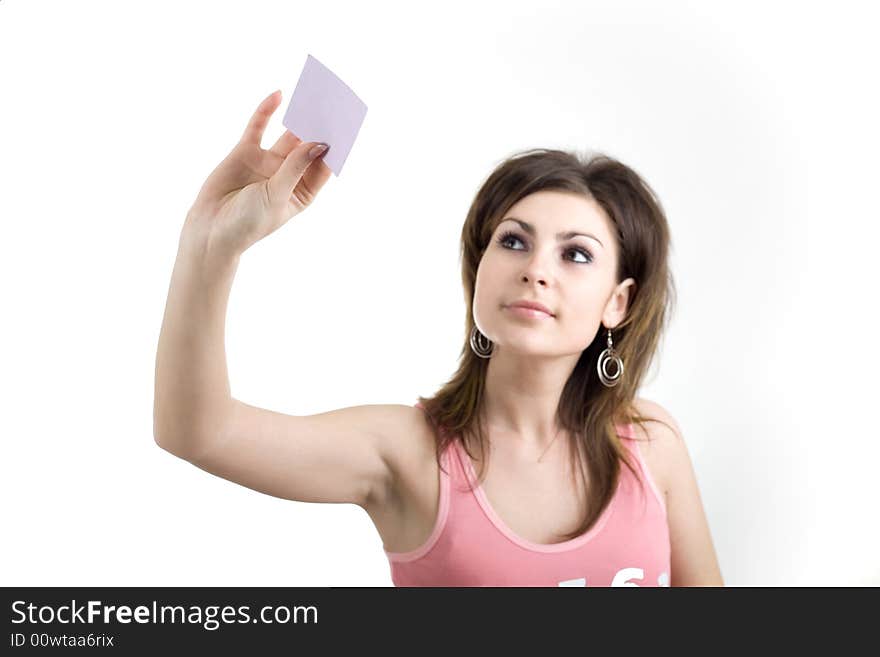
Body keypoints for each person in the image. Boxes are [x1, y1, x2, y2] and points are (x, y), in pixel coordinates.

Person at [153, 90, 724, 587]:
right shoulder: (409, 453)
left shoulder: (652, 445)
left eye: (575, 254)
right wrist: (211, 246)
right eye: (513, 242)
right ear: (479, 270)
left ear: (617, 303)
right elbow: (199, 432)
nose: (536, 270)